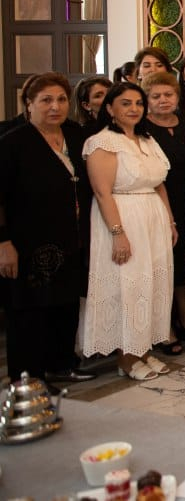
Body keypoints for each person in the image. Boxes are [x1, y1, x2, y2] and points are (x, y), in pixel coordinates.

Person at [0, 73, 94, 383]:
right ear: (29, 104)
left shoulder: (75, 136)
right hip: (27, 242)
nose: (55, 106)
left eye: (61, 99)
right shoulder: (13, 142)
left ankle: (62, 364)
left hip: (70, 238)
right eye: (46, 100)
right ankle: (28, 377)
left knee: (65, 304)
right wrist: (3, 242)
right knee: (30, 311)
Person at [79, 83, 176, 380]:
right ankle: (126, 356)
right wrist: (117, 233)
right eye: (125, 103)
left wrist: (170, 221)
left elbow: (159, 183)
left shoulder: (147, 140)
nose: (134, 108)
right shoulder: (102, 142)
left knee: (153, 283)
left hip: (152, 216)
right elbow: (102, 192)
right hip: (123, 215)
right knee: (129, 284)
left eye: (138, 103)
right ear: (110, 108)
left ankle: (143, 349)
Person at [142, 71, 185, 349]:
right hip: (158, 201)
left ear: (177, 97)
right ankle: (164, 327)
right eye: (156, 96)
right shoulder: (142, 129)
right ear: (146, 99)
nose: (163, 100)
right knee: (164, 266)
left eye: (168, 94)